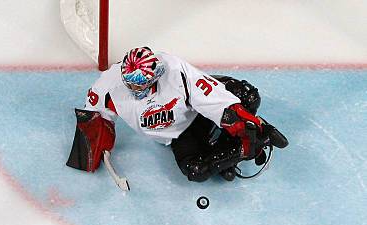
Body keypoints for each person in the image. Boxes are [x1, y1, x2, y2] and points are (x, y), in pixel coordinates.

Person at [66, 47, 288, 182]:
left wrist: (244, 125)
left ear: (155, 76)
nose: (134, 90)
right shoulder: (108, 85)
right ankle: (233, 153)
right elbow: (94, 119)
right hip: (179, 135)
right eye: (130, 84)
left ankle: (239, 143)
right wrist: (91, 154)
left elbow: (211, 97)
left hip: (197, 111)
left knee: (247, 96)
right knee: (197, 171)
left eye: (140, 85)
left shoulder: (175, 70)